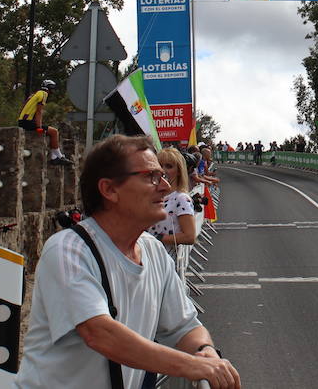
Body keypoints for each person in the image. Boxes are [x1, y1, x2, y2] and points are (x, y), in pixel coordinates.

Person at [16, 135, 240, 389]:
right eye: (150, 176)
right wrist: (193, 366)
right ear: (110, 189)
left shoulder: (154, 251)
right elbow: (100, 334)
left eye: (163, 175)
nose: (165, 186)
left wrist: (205, 351)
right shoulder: (68, 249)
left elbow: (185, 326)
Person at [147, 148, 197, 249]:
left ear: (179, 171)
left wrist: (157, 238)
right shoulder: (151, 196)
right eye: (160, 165)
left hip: (165, 258)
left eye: (169, 166)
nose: (163, 170)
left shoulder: (181, 198)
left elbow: (189, 237)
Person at [18, 79, 74, 165]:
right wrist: (39, 127)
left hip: (22, 121)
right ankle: (58, 157)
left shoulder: (36, 94)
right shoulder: (44, 94)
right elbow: (39, 112)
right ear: (49, 88)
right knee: (54, 132)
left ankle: (55, 157)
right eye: (53, 89)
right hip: (28, 122)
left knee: (51, 131)